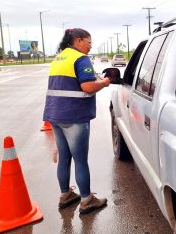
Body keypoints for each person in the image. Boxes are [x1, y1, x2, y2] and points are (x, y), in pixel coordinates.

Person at [43, 28, 110, 214]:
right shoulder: (80, 59)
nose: (90, 46)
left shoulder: (59, 58)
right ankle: (87, 200)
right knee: (80, 160)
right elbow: (88, 87)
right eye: (89, 42)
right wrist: (104, 83)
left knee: (64, 157)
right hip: (73, 116)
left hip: (55, 115)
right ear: (78, 41)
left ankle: (65, 195)